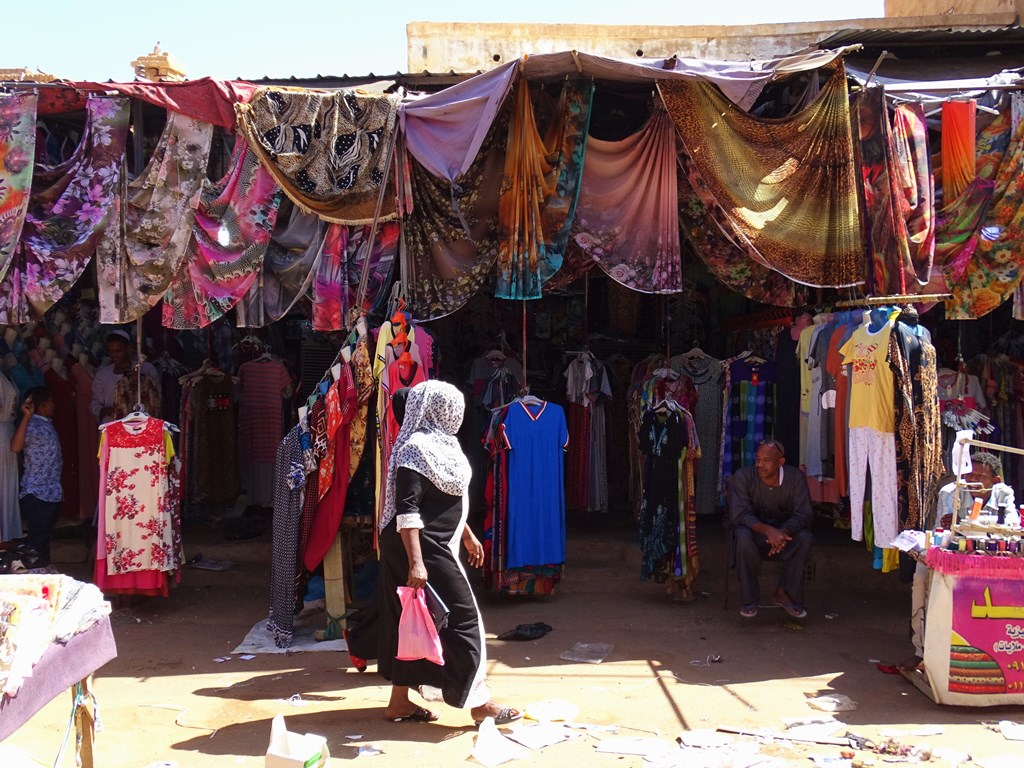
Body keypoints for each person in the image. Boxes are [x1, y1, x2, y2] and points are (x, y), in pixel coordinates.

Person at [377, 380, 521, 726]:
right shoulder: (415, 447)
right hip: (421, 548)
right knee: (465, 620)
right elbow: (408, 510)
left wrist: (467, 534)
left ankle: (400, 702)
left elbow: (444, 501)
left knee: (413, 622)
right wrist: (417, 564)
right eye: (451, 407)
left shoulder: (444, 445)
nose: (457, 414)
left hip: (437, 543)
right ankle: (479, 703)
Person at [904, 452, 1015, 671]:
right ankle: (921, 650)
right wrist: (946, 528)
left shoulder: (1004, 494)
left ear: (995, 481)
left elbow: (1010, 529)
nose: (972, 481)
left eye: (980, 477)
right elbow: (941, 539)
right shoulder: (951, 492)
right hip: (954, 557)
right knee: (921, 577)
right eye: (969, 475)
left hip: (989, 557)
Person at [727, 439, 814, 620]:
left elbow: (803, 514)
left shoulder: (795, 478)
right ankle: (749, 598)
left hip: (784, 538)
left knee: (805, 537)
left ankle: (784, 592)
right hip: (755, 537)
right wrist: (768, 531)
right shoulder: (744, 476)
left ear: (780, 462)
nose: (759, 465)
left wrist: (783, 533)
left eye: (766, 461)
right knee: (742, 535)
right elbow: (740, 514)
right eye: (757, 459)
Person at [10, 387, 62, 566]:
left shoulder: (46, 423)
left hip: (50, 491)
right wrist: (26, 416)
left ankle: (41, 570)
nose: (54, 405)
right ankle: (32, 571)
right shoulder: (31, 424)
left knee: (43, 539)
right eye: (51, 402)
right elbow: (16, 447)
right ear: (43, 405)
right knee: (35, 542)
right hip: (37, 492)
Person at [89, 330, 159, 422]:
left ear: (128, 348)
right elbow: (94, 404)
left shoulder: (146, 369)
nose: (114, 355)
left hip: (141, 424)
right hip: (112, 424)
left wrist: (142, 381)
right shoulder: (103, 375)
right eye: (110, 352)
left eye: (118, 351)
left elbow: (157, 396)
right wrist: (106, 410)